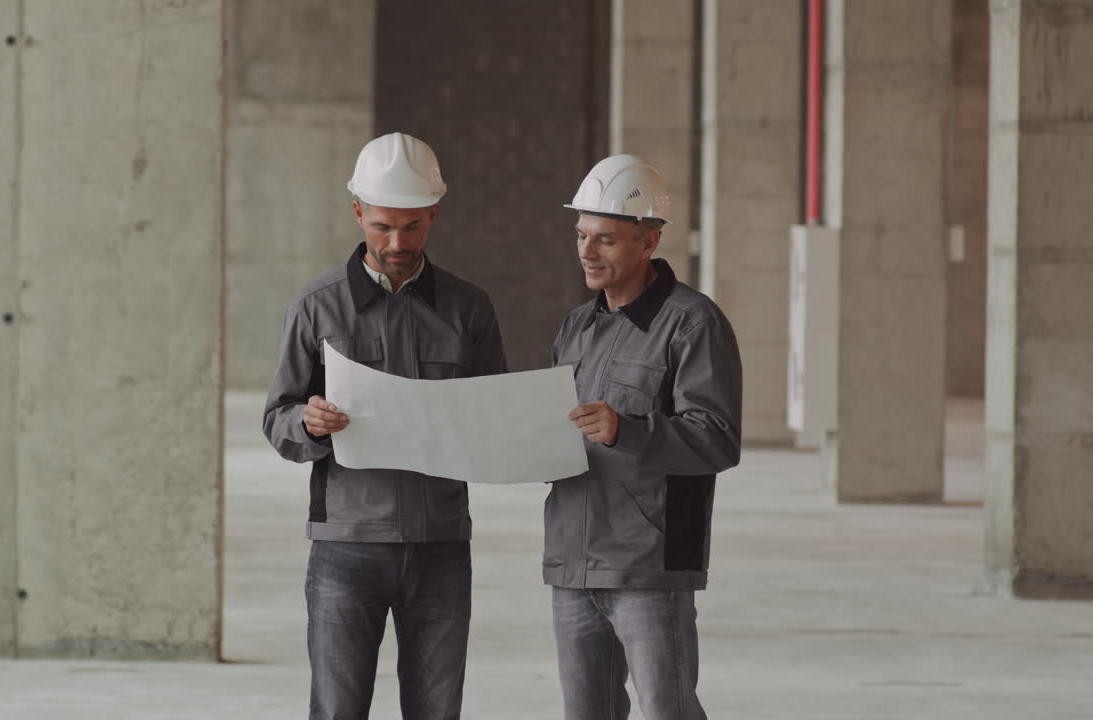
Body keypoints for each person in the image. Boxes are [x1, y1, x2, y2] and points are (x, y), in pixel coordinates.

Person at [262, 132, 507, 720]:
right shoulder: (316, 308)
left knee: (436, 712)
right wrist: (309, 421)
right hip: (346, 548)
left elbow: (497, 419)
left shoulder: (468, 310)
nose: (397, 242)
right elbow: (278, 418)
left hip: (440, 547)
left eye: (413, 227)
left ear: (433, 215)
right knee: (338, 710)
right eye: (382, 227)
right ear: (358, 213)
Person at [546, 154, 743, 720]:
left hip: (650, 564)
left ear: (649, 241)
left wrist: (626, 431)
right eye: (582, 235)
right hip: (573, 558)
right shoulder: (576, 328)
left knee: (669, 710)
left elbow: (718, 440)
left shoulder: (692, 323)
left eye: (605, 239)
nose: (587, 251)